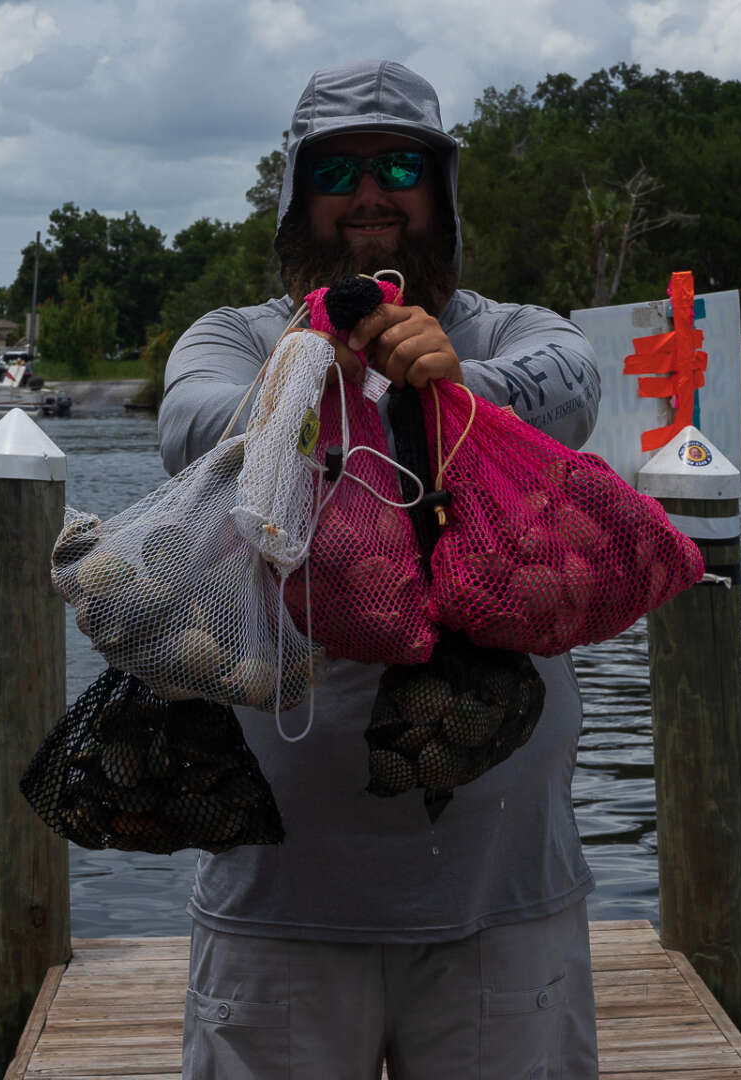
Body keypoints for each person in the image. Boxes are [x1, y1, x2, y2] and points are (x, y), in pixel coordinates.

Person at [158, 60, 604, 1079]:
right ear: (297, 198)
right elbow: (189, 428)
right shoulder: (234, 339)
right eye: (337, 171)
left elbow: (575, 385)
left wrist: (454, 387)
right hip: (277, 911)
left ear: (439, 195)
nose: (370, 193)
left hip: (504, 910)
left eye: (400, 165)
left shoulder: (510, 334)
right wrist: (323, 382)